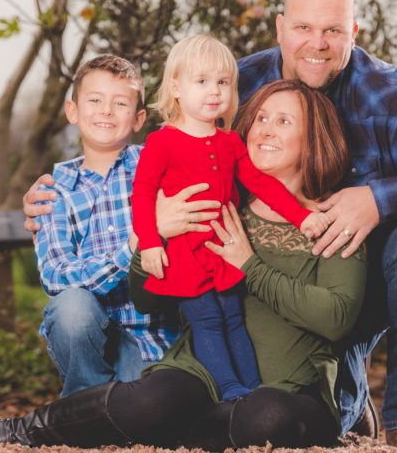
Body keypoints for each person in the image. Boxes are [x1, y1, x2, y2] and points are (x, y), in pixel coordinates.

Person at [22, 0, 397, 448]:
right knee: (214, 387)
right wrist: (68, 189)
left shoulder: (391, 96)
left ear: (353, 33)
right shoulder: (239, 84)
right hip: (252, 282)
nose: (316, 43)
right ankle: (332, 397)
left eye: (333, 30)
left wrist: (377, 199)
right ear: (279, 28)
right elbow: (168, 154)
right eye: (303, 28)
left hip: (362, 274)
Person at [0, 79, 366, 453]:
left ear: (314, 138)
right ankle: (6, 433)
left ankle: (175, 433)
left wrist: (250, 266)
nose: (266, 130)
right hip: (204, 375)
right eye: (261, 118)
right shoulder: (219, 203)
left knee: (266, 416)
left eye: (285, 122)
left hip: (292, 388)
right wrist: (154, 240)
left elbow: (336, 319)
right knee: (150, 399)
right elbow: (145, 297)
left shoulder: (334, 218)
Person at [132, 34, 328, 401]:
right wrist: (150, 242)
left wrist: (301, 219)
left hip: (223, 250)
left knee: (233, 318)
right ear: (176, 86)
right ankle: (229, 390)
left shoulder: (230, 142)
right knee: (206, 320)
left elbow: (261, 184)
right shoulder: (163, 141)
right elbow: (142, 195)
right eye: (202, 81)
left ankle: (253, 391)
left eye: (222, 82)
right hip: (185, 253)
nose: (214, 91)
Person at [32, 54, 179, 397]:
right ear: (73, 111)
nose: (106, 111)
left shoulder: (157, 166)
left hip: (152, 339)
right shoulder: (54, 192)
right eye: (94, 100)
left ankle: (104, 410)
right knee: (70, 307)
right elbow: (55, 276)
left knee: (143, 408)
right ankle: (84, 403)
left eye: (120, 103)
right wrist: (129, 250)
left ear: (139, 118)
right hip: (88, 337)